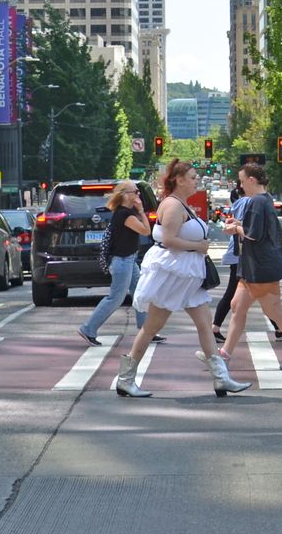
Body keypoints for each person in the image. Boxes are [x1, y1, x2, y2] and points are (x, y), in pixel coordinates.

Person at [114, 161, 250, 398]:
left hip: (187, 275)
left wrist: (198, 247)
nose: (197, 180)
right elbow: (168, 239)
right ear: (179, 180)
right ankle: (125, 379)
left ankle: (221, 378)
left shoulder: (181, 205)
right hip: (174, 275)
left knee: (204, 323)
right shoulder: (174, 206)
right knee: (152, 326)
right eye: (193, 176)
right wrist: (198, 246)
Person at [218, 163, 282, 369]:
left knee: (273, 309)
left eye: (242, 181)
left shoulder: (257, 201)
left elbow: (253, 235)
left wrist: (235, 229)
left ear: (251, 180)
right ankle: (223, 355)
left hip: (260, 266)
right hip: (255, 267)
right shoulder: (263, 200)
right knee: (238, 306)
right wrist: (239, 225)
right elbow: (255, 230)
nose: (240, 186)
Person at [79, 180, 151, 345]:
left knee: (140, 294)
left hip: (129, 260)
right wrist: (141, 211)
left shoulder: (126, 212)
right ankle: (88, 328)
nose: (138, 195)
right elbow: (146, 231)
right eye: (136, 192)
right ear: (126, 195)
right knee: (115, 298)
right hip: (122, 261)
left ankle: (146, 330)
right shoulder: (125, 215)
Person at [211, 183, 247, 343]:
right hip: (242, 256)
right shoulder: (245, 204)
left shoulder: (237, 206)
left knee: (263, 293)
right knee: (264, 292)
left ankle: (280, 328)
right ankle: (215, 328)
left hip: (239, 256)